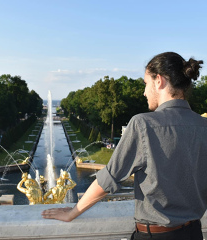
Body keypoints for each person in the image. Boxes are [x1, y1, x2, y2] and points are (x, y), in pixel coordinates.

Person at [42, 52, 207, 240]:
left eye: (146, 84)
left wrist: (72, 212)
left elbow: (108, 179)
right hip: (194, 234)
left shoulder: (143, 124)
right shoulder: (204, 126)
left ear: (159, 81)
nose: (144, 92)